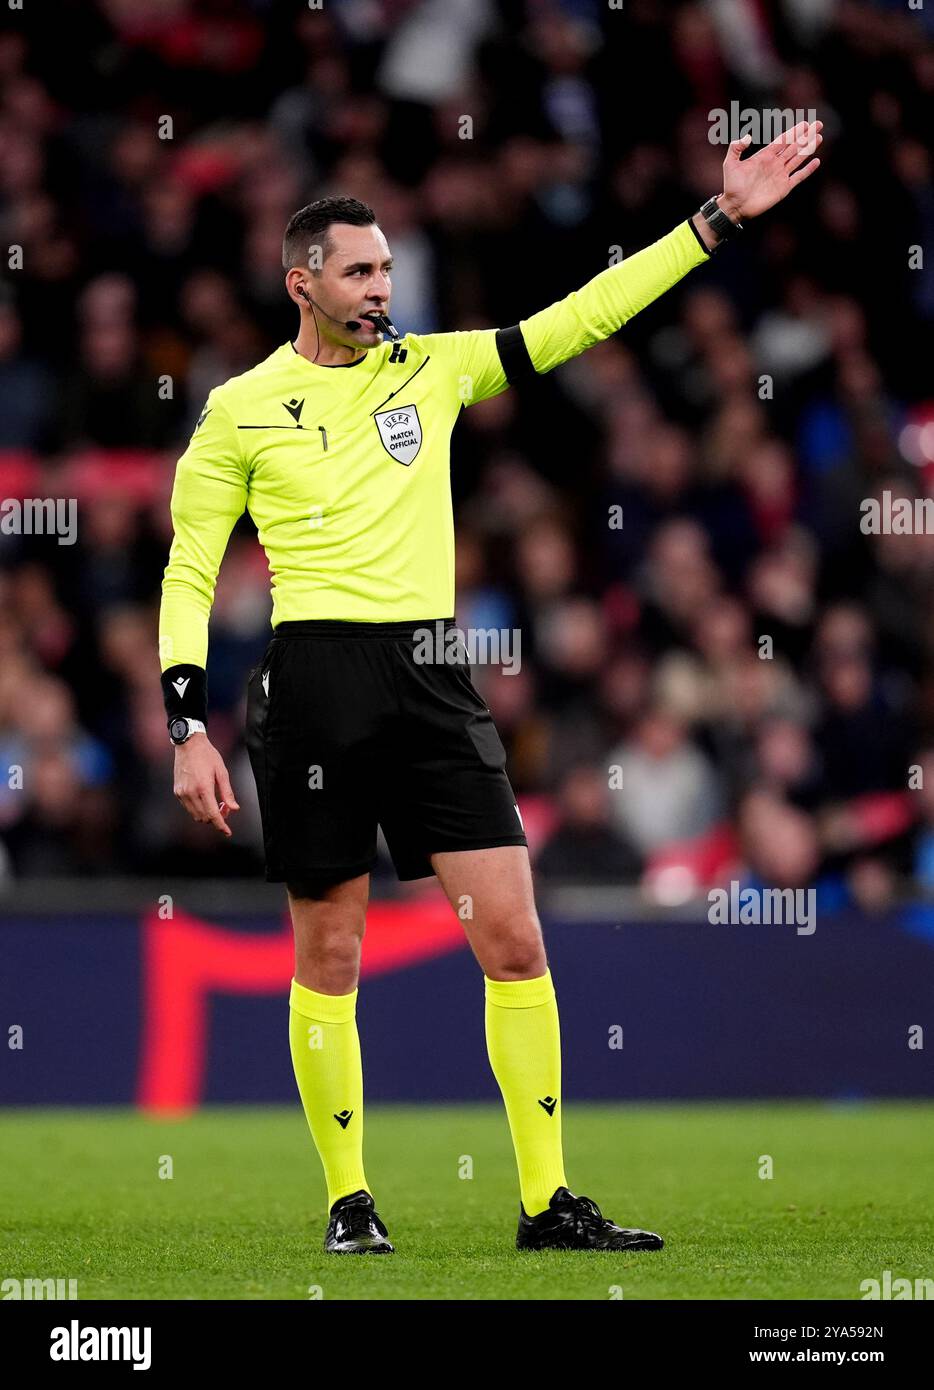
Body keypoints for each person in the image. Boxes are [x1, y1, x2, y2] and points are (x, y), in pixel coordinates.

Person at [158, 123, 822, 1254]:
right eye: (359, 269)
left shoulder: (435, 365)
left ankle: (545, 1200)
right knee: (330, 954)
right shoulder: (238, 410)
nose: (381, 286)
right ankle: (349, 1199)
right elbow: (189, 566)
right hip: (314, 680)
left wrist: (712, 225)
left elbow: (580, 318)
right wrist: (185, 720)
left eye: (386, 268)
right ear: (301, 282)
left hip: (430, 672)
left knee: (513, 936)